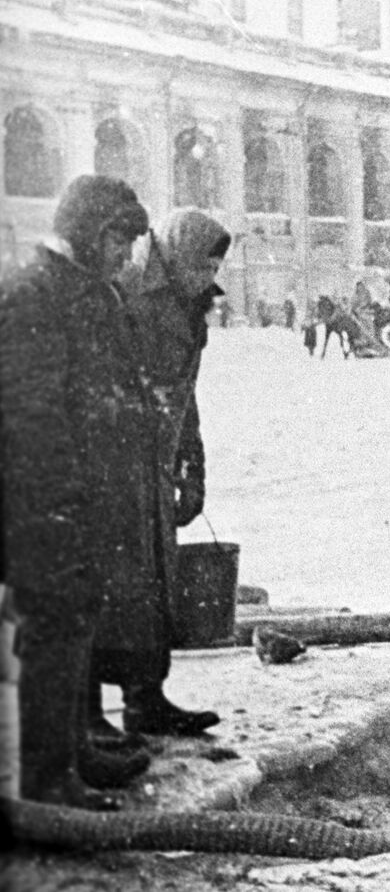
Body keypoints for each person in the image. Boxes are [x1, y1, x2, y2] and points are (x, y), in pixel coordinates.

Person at [0, 175, 154, 808]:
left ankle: (71, 750)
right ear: (94, 232)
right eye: (122, 240)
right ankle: (47, 775)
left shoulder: (80, 292)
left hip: (76, 491)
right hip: (41, 496)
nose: (127, 255)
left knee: (76, 613)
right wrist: (55, 499)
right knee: (52, 623)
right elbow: (30, 413)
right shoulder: (36, 294)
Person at [89, 209, 229, 744]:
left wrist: (192, 463)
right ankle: (89, 714)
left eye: (216, 263)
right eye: (203, 261)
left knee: (156, 584)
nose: (209, 272)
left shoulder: (191, 303)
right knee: (114, 584)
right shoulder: (127, 293)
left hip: (157, 463)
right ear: (175, 255)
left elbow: (186, 393)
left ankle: (147, 699)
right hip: (115, 462)